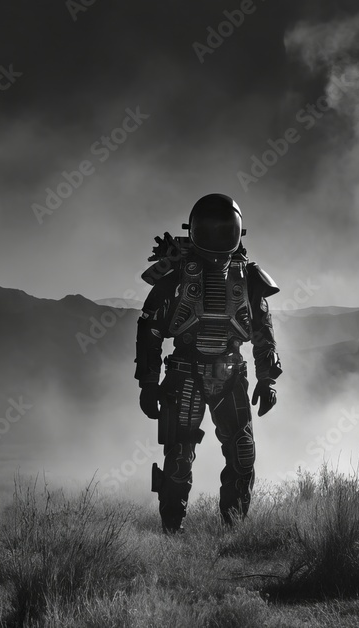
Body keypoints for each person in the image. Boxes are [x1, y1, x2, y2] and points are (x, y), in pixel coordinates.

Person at [134, 193, 282, 532]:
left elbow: (263, 330)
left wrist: (267, 378)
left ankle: (234, 532)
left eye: (223, 231)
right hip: (185, 374)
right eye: (209, 231)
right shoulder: (175, 277)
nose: (216, 238)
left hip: (231, 374)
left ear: (238, 233)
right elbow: (151, 329)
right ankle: (172, 531)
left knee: (242, 453)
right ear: (195, 231)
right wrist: (147, 381)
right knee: (178, 460)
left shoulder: (250, 277)